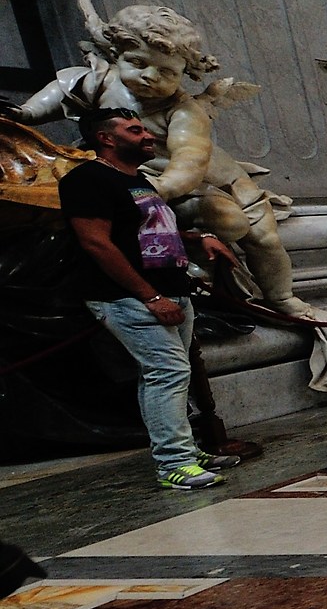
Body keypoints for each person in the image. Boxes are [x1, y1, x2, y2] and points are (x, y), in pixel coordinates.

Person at [60, 110, 244, 491]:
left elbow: (148, 230)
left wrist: (196, 238)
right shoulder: (87, 180)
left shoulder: (138, 180)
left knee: (166, 375)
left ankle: (183, 452)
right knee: (168, 373)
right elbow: (96, 242)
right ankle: (174, 463)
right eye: (135, 130)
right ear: (106, 139)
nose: (146, 135)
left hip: (170, 289)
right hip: (130, 296)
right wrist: (150, 295)